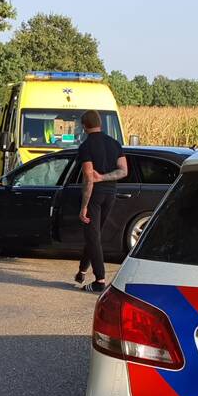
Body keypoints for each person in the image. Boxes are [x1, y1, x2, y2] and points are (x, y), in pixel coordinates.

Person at [76, 110, 128, 293]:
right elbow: (123, 171)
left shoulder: (86, 147)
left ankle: (100, 280)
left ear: (84, 126)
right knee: (94, 236)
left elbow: (89, 177)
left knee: (93, 236)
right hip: (111, 193)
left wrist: (83, 206)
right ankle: (82, 270)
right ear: (101, 123)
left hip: (95, 196)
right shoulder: (114, 144)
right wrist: (105, 177)